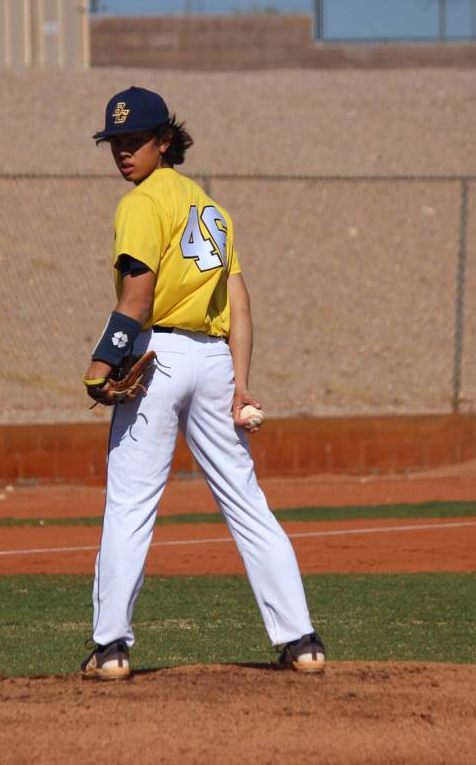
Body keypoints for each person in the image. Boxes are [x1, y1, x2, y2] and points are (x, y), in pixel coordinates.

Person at [80, 86, 325, 680]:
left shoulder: (142, 203)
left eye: (135, 140)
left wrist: (101, 363)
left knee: (131, 505)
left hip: (157, 357)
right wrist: (241, 382)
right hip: (214, 361)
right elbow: (238, 304)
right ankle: (301, 641)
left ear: (165, 141)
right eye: (116, 142)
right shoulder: (211, 209)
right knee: (247, 503)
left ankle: (111, 647)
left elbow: (137, 299)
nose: (123, 152)